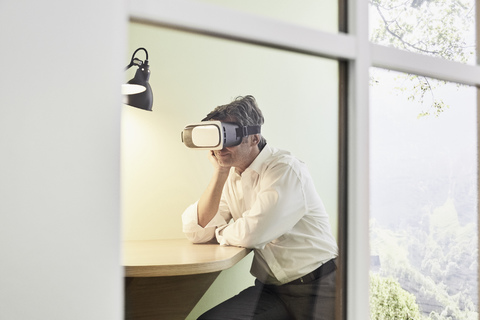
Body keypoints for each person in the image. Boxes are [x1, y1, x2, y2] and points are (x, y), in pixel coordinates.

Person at [182, 95, 338, 320]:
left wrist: (220, 232)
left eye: (229, 137)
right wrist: (220, 172)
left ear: (254, 137)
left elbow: (252, 233)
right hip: (272, 290)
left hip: (320, 287)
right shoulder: (232, 176)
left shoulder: (285, 170)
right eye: (216, 138)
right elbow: (196, 230)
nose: (220, 147)